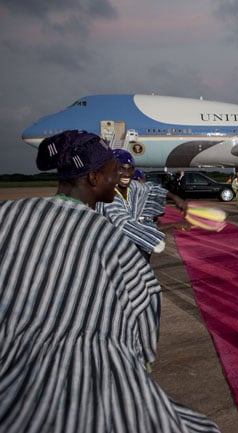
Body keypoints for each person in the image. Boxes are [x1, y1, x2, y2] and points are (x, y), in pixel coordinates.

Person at [0, 130, 220, 433]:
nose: (119, 174)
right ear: (93, 178)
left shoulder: (9, 215)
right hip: (76, 390)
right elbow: (145, 316)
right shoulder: (112, 243)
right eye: (111, 169)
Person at [96, 149, 188, 261]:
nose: (126, 174)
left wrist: (175, 198)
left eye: (130, 169)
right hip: (110, 253)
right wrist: (172, 225)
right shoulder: (107, 195)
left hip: (128, 250)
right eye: (120, 169)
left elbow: (150, 188)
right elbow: (124, 224)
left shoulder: (133, 187)